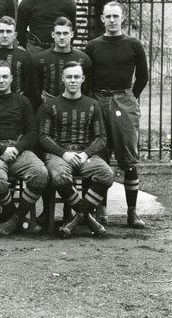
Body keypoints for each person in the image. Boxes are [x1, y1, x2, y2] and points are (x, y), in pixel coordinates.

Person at [86, 1, 149, 229]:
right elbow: (87, 76)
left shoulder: (133, 44)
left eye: (116, 16)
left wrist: (129, 98)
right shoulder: (93, 46)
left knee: (128, 159)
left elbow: (142, 76)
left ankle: (132, 212)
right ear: (102, 19)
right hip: (98, 99)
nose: (112, 20)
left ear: (122, 18)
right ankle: (100, 210)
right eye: (108, 16)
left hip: (123, 99)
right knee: (100, 157)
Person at [38, 62, 113, 238]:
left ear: (83, 79)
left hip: (84, 154)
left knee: (106, 173)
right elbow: (43, 136)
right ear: (63, 79)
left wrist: (86, 153)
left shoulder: (93, 105)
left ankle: (77, 219)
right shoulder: (50, 105)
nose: (73, 81)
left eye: (76, 77)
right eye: (69, 77)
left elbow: (101, 137)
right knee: (59, 176)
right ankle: (87, 218)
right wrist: (63, 153)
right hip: (59, 154)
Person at [0, 61, 48, 236]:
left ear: (12, 78)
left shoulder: (22, 101)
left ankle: (13, 220)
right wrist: (1, 150)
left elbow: (32, 131)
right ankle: (18, 218)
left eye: (5, 76)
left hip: (18, 150)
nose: (1, 80)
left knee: (41, 173)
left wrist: (16, 148)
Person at [32, 16, 92, 103]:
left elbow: (87, 90)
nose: (62, 37)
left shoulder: (83, 59)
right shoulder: (40, 59)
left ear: (72, 34)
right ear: (53, 34)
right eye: (58, 33)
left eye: (65, 33)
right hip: (48, 107)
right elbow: (35, 90)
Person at [0, 16, 33, 97]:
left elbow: (28, 84)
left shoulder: (24, 57)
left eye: (8, 31)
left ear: (15, 35)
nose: (4, 35)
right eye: (1, 31)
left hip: (16, 105)